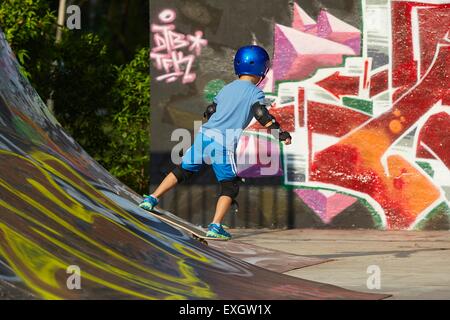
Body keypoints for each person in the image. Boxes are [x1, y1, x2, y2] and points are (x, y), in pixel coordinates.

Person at [140, 45, 292, 240]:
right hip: (224, 141)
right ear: (262, 69)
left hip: (205, 135)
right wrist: (280, 133)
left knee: (184, 169)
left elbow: (211, 109)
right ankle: (215, 226)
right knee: (230, 186)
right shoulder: (255, 93)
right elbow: (261, 114)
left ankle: (152, 199)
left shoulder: (227, 88)